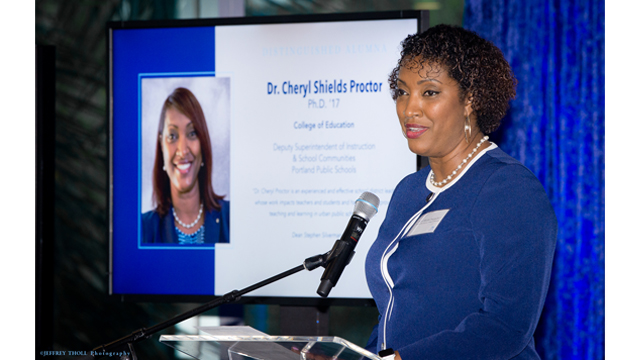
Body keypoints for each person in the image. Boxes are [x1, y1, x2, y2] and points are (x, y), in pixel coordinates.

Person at [364, 25, 557, 360]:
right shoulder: (409, 190)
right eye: (402, 91)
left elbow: (505, 327)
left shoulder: (508, 189)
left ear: (470, 99)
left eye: (429, 93)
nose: (410, 109)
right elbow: (395, 316)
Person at [142, 87, 229, 245]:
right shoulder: (144, 229)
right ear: (161, 146)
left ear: (203, 143)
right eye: (172, 136)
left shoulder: (231, 219)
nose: (182, 151)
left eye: (192, 133)